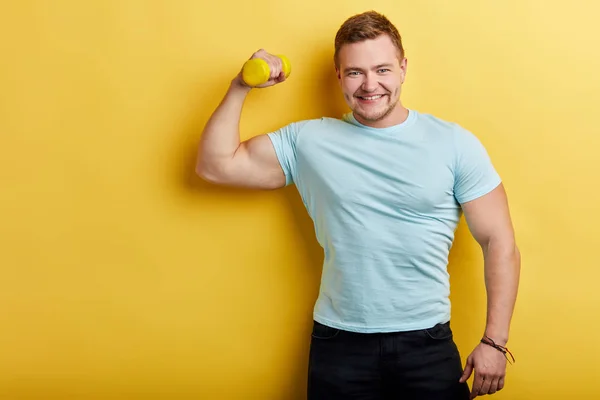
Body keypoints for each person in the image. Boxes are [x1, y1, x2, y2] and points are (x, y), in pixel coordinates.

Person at [196, 10, 520, 400]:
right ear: (338, 75)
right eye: (355, 73)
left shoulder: (454, 143)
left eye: (382, 69)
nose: (370, 85)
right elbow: (215, 166)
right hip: (339, 344)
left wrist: (495, 341)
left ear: (402, 69)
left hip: (427, 342)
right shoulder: (309, 141)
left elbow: (499, 240)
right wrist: (240, 85)